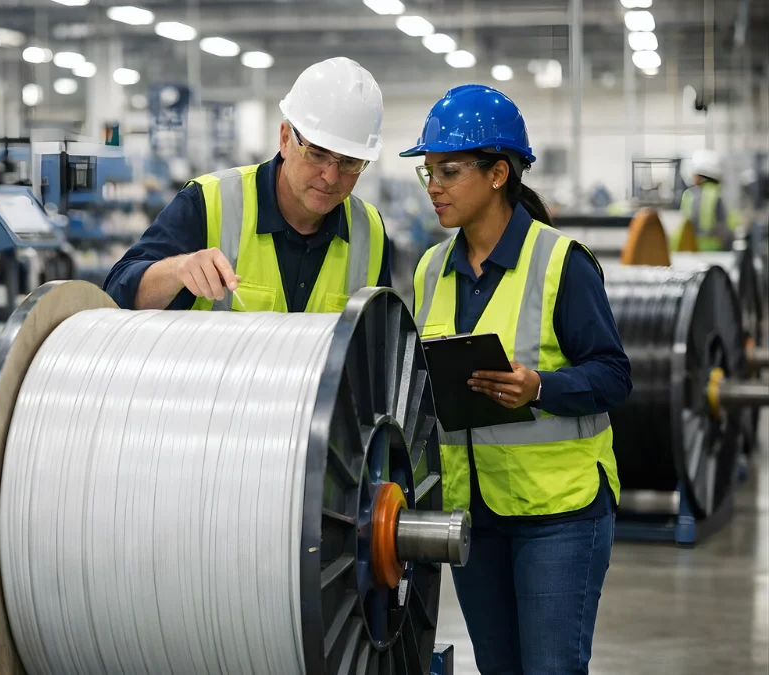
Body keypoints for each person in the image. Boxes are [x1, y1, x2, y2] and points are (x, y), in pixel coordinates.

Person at [403, 85, 632, 675]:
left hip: (560, 515)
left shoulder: (562, 262)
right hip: (473, 517)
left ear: (498, 173)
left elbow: (613, 376)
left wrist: (540, 389)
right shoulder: (431, 270)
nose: (434, 187)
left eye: (449, 172)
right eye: (428, 173)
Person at [103, 57, 392, 312]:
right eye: (316, 154)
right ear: (284, 139)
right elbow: (117, 295)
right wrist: (177, 270)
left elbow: (381, 346)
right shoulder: (207, 203)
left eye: (350, 163)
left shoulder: (370, 231)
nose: (331, 176)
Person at [673, 149, 740, 251]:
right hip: (719, 251)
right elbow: (729, 226)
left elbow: (684, 227)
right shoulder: (720, 194)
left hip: (693, 249)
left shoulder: (689, 195)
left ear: (699, 176)